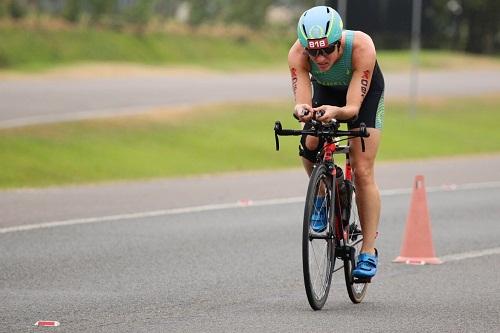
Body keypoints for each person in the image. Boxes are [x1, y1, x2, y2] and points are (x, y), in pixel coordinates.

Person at [288, 5, 385, 279]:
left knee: (363, 167)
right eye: (313, 51)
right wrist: (302, 110)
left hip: (363, 97)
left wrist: (336, 112)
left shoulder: (362, 47)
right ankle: (323, 195)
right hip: (327, 91)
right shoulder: (297, 53)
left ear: (339, 42)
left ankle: (368, 250)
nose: (319, 58)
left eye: (326, 50)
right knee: (308, 144)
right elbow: (302, 102)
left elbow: (352, 108)